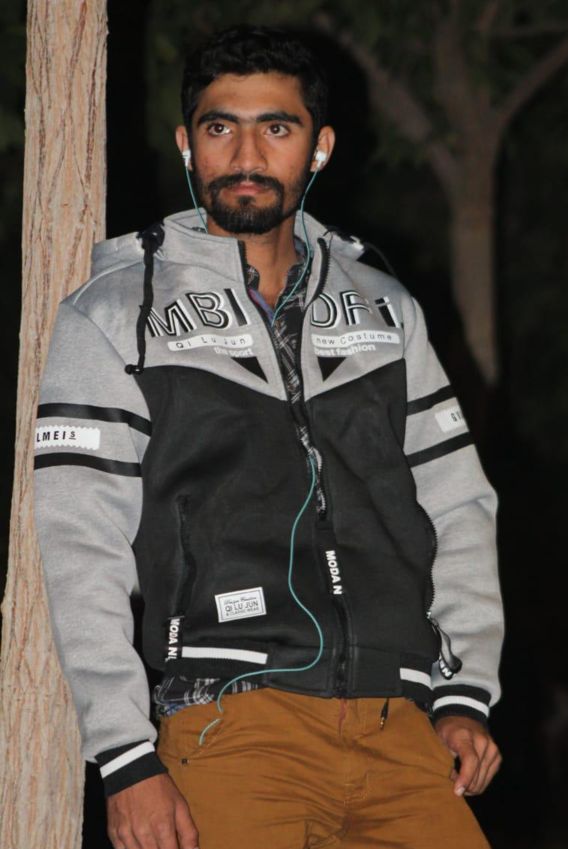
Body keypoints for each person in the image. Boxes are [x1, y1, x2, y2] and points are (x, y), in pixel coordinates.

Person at [34, 25, 503, 849]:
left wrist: (465, 692)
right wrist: (125, 757)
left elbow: (457, 504)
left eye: (276, 128)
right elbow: (79, 541)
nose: (246, 155)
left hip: (401, 727)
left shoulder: (384, 307)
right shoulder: (114, 310)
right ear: (188, 143)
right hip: (229, 725)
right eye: (221, 127)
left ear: (319, 147)